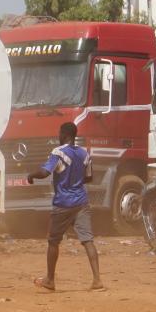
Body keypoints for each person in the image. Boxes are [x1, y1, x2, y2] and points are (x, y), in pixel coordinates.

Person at [27, 121, 102, 292]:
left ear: (65, 135)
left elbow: (45, 172)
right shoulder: (84, 153)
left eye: (59, 133)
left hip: (63, 203)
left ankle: (50, 280)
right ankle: (97, 280)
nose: (58, 136)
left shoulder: (58, 152)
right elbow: (89, 177)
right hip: (81, 201)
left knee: (53, 241)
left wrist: (31, 175)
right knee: (88, 240)